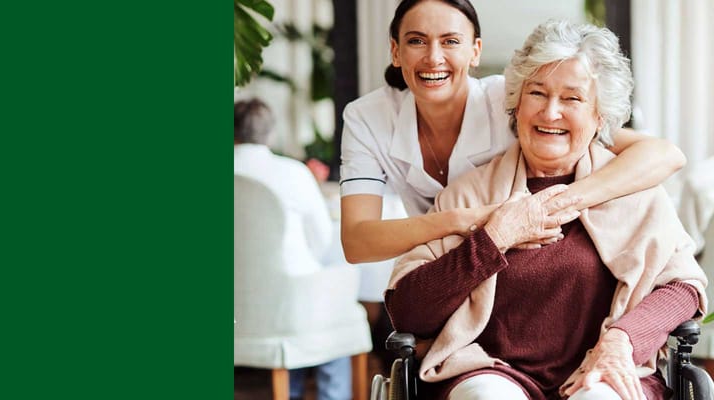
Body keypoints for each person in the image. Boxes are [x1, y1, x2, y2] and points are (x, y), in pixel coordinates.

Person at [384, 20, 708, 400]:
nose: (550, 113)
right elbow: (408, 312)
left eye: (572, 99)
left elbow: (683, 287)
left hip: (604, 369)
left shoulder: (633, 190)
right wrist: (494, 238)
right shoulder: (468, 195)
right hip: (488, 370)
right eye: (537, 93)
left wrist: (624, 340)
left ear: (600, 116)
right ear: (517, 104)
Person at [338, 0, 686, 265]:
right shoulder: (367, 118)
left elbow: (665, 154)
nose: (433, 57)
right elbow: (356, 243)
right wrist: (468, 219)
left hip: (518, 258)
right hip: (439, 263)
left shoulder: (511, 99)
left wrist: (564, 202)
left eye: (451, 41)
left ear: (475, 51)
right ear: (396, 51)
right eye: (417, 41)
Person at [234, 98, 353, 400]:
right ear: (270, 134)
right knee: (329, 314)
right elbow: (322, 241)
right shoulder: (293, 172)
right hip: (286, 309)